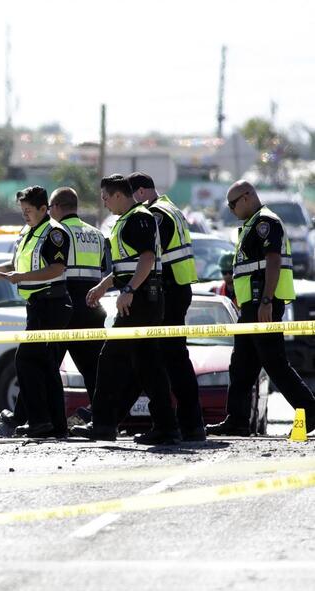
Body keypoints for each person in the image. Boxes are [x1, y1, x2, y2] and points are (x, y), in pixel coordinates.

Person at [71, 174, 180, 444]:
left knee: (110, 361)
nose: (105, 203)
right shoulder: (130, 219)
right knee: (148, 367)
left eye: (106, 198)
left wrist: (129, 290)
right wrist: (103, 286)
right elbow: (126, 266)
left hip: (141, 301)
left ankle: (103, 425)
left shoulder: (137, 218)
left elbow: (147, 258)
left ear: (119, 195)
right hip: (145, 299)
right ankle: (166, 427)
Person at [206, 180, 315, 436]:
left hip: (263, 304)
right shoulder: (251, 225)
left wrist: (266, 300)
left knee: (274, 362)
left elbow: (273, 261)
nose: (231, 209)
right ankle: (237, 420)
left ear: (246, 198)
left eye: (232, 204)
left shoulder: (266, 223)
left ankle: (309, 409)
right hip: (251, 306)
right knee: (241, 364)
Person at [0, 186, 72, 437]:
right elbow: (14, 266)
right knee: (46, 366)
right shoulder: (28, 232)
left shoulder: (55, 233)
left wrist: (23, 277)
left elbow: (56, 269)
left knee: (26, 360)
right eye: (22, 211)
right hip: (37, 305)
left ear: (43, 209)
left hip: (52, 304)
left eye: (29, 211)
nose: (25, 215)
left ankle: (39, 421)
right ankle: (55, 425)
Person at [123, 172, 205, 441]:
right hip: (178, 288)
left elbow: (149, 256)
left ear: (143, 192)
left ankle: (177, 425)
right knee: (174, 359)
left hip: (169, 291)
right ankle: (190, 424)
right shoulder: (172, 208)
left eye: (131, 196)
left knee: (165, 359)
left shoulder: (156, 215)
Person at [49, 187, 108, 401]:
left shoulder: (55, 233)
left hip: (63, 305)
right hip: (91, 306)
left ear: (55, 207)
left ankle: (43, 420)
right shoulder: (97, 234)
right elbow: (103, 271)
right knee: (95, 371)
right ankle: (100, 419)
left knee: (46, 366)